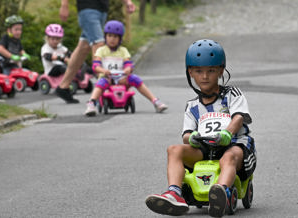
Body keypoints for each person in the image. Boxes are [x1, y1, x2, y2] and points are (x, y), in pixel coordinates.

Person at [145, 39, 257, 217]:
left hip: (235, 144)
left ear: (221, 71)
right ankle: (174, 193)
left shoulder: (232, 94)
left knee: (228, 157)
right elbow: (186, 134)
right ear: (190, 72)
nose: (205, 76)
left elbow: (238, 117)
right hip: (206, 148)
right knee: (174, 149)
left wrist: (227, 133)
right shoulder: (192, 106)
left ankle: (221, 191)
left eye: (211, 71)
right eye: (199, 71)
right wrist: (193, 138)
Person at [56, 0, 136, 104]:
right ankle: (102, 91)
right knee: (99, 44)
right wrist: (64, 5)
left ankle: (63, 87)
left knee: (83, 47)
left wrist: (127, 2)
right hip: (87, 9)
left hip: (102, 10)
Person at [84, 20, 168, 116]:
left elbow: (128, 64)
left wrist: (127, 69)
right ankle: (91, 103)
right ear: (105, 36)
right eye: (109, 36)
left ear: (120, 39)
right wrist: (103, 71)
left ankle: (155, 101)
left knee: (135, 79)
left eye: (115, 36)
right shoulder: (101, 50)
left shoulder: (123, 51)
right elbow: (96, 66)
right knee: (100, 83)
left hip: (121, 78)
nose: (112, 39)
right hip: (107, 78)